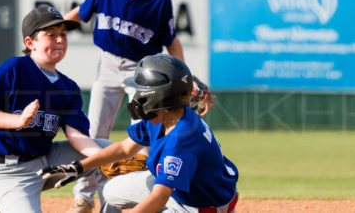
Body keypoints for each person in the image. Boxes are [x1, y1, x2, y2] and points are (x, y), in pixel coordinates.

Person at [38, 54, 239, 213]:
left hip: (201, 206)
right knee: (111, 191)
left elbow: (159, 196)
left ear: (158, 97)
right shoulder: (163, 116)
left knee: (156, 202)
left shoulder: (181, 139)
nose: (137, 96)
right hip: (181, 189)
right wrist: (79, 167)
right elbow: (126, 147)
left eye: (141, 91)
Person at [64, 0, 187, 211]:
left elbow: (172, 42)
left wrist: (185, 82)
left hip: (142, 70)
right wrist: (53, 28)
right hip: (107, 63)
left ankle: (139, 196)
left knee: (144, 135)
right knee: (94, 132)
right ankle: (84, 198)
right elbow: (81, 12)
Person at [0, 5, 111, 213]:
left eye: (63, 35)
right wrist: (18, 121)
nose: (60, 40)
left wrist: (104, 158)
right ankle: (0, 203)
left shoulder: (68, 87)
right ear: (30, 43)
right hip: (8, 171)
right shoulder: (13, 69)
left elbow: (76, 135)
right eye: (51, 35)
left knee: (108, 151)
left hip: (46, 162)